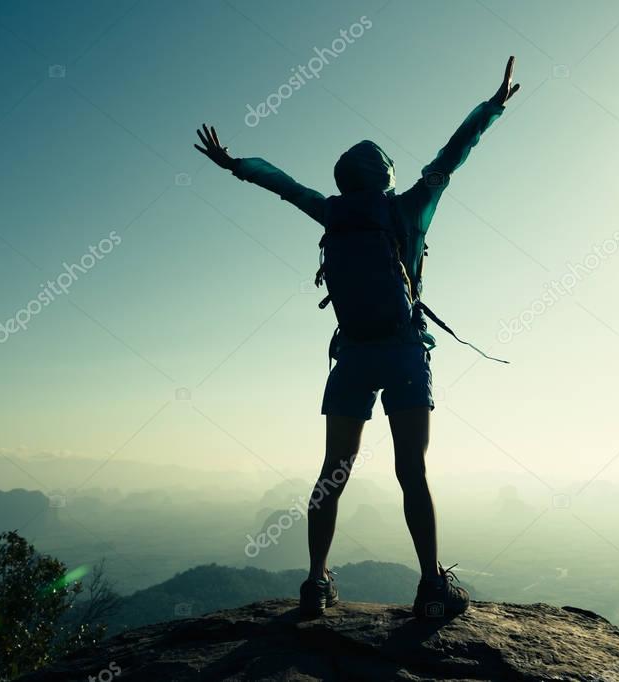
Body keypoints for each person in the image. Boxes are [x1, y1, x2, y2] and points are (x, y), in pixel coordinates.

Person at [194, 57, 521, 618]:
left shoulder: (331, 213)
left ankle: (315, 583)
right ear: (386, 178)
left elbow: (282, 184)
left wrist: (232, 164)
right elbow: (451, 157)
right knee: (410, 470)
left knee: (333, 470)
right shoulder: (408, 209)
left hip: (351, 355)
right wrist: (490, 108)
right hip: (402, 352)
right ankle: (430, 587)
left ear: (345, 179)